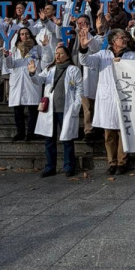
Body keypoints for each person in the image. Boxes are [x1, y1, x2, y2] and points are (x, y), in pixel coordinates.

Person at [78, 23, 135, 175]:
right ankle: (112, 162)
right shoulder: (103, 54)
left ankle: (122, 162)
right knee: (109, 133)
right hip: (107, 99)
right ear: (113, 41)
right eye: (121, 38)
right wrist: (83, 48)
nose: (125, 40)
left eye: (126, 38)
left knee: (122, 132)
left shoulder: (132, 55)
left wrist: (122, 64)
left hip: (125, 97)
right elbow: (86, 62)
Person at [29, 44, 83, 178]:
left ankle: (69, 166)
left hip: (66, 110)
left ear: (67, 56)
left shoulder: (74, 70)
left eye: (61, 53)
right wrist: (32, 73)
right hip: (50, 110)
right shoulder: (49, 69)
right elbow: (38, 80)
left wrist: (76, 105)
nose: (58, 56)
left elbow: (79, 88)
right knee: (49, 140)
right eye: (56, 53)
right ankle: (50, 167)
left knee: (67, 139)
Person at [2, 26, 50, 142]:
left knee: (33, 108)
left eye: (27, 34)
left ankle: (31, 133)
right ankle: (20, 133)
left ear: (31, 35)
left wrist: (45, 47)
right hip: (18, 81)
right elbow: (10, 65)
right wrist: (6, 57)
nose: (25, 36)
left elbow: (47, 61)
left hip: (32, 81)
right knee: (18, 109)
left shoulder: (37, 48)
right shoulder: (14, 49)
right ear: (19, 36)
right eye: (22, 34)